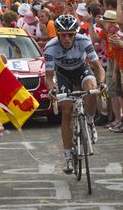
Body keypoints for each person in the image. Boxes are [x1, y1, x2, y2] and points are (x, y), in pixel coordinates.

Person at [44, 14, 105, 174]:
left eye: (70, 34)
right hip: (63, 75)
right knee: (66, 110)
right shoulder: (50, 47)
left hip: (81, 70)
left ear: (75, 34)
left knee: (91, 88)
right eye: (63, 35)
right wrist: (52, 89)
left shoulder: (83, 40)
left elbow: (98, 67)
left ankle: (90, 121)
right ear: (57, 34)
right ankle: (68, 156)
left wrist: (102, 82)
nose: (67, 38)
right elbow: (49, 76)